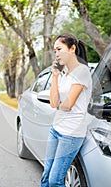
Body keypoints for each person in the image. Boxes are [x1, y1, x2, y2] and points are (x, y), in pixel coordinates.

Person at [40, 33, 92, 187]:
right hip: (56, 128)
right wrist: (55, 76)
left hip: (71, 133)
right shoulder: (65, 74)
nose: (56, 54)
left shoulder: (82, 71)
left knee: (55, 180)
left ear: (72, 49)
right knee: (46, 176)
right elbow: (53, 103)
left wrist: (59, 104)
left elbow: (67, 105)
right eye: (55, 50)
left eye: (59, 49)